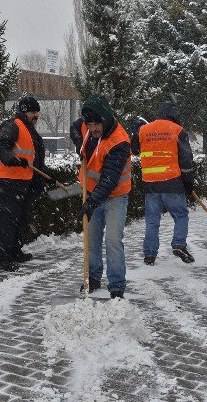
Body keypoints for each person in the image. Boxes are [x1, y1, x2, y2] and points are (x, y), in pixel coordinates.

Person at [70, 94, 131, 299]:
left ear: (106, 119)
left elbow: (110, 179)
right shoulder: (87, 128)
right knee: (92, 239)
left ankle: (116, 286)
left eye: (97, 124)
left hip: (115, 196)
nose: (93, 128)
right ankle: (93, 278)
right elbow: (75, 127)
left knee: (113, 240)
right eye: (90, 124)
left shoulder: (119, 141)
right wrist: (79, 141)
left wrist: (91, 203)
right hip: (91, 193)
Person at [0, 96, 56, 271]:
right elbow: (0, 147)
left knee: (20, 219)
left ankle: (15, 251)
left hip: (23, 181)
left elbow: (34, 160)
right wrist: (13, 160)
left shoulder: (29, 130)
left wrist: (48, 176)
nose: (36, 116)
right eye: (34, 112)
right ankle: (3, 256)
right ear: (25, 111)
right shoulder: (12, 125)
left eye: (37, 112)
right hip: (9, 180)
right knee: (9, 219)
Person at [131, 100, 195, 265]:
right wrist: (188, 183)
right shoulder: (178, 130)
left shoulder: (143, 130)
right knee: (181, 215)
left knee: (152, 221)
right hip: (172, 182)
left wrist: (135, 133)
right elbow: (186, 159)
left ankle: (150, 254)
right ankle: (179, 244)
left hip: (150, 184)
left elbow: (135, 150)